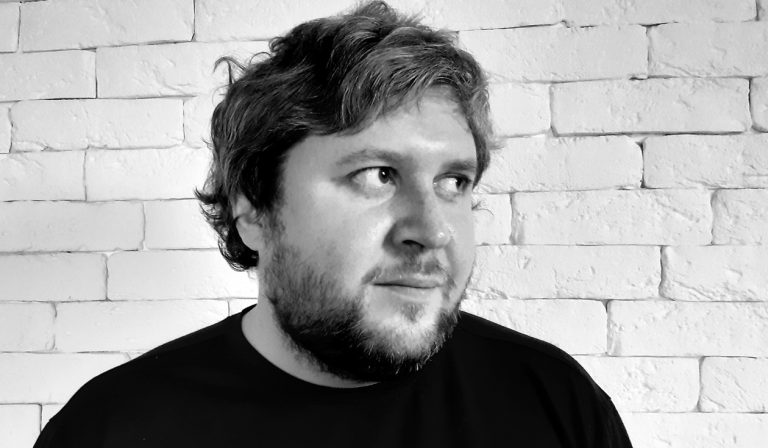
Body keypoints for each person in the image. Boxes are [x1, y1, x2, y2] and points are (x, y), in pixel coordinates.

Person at [35, 2, 632, 447]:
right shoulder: (111, 428)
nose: (433, 230)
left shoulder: (555, 404)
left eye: (454, 182)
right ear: (254, 208)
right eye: (377, 175)